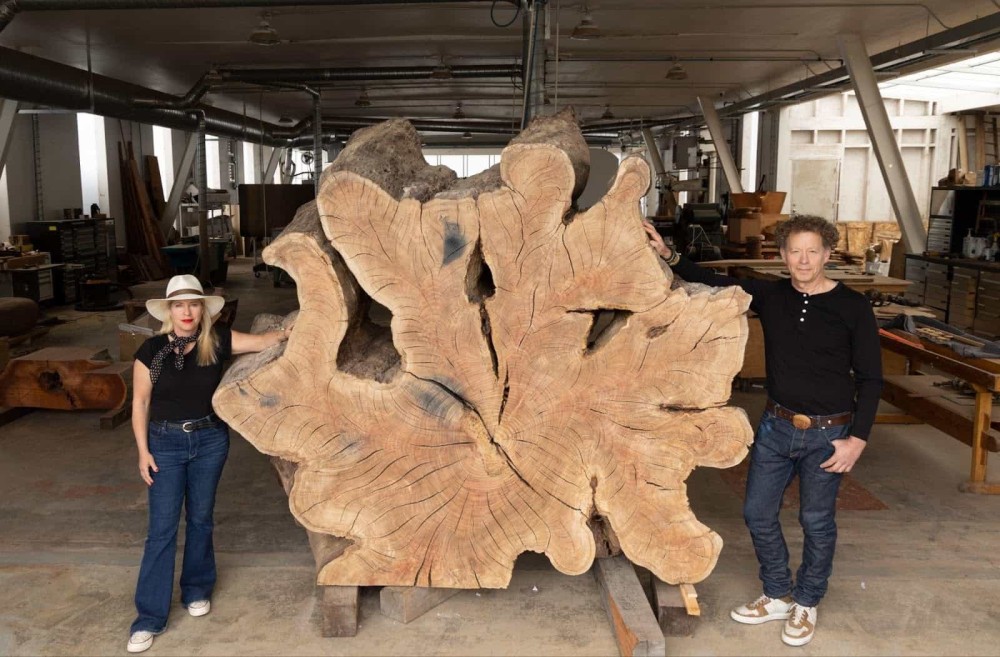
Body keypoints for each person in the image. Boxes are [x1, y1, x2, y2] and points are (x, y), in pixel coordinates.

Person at [644, 215, 882, 647]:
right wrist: (668, 254)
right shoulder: (771, 296)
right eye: (795, 251)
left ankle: (806, 601)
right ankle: (776, 593)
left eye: (813, 251)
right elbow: (712, 280)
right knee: (757, 513)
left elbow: (870, 378)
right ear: (783, 256)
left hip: (829, 434)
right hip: (776, 427)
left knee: (816, 521)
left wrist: (857, 440)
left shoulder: (853, 306)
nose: (804, 260)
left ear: (828, 254)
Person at [127, 274, 291, 653]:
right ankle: (149, 617)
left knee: (201, 518)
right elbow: (140, 403)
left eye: (193, 304)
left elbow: (264, 342)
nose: (187, 311)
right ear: (169, 311)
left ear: (202, 309)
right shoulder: (151, 351)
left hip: (210, 440)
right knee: (162, 530)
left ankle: (197, 589)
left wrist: (288, 331)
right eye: (179, 305)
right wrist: (143, 451)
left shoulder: (216, 341)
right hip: (165, 443)